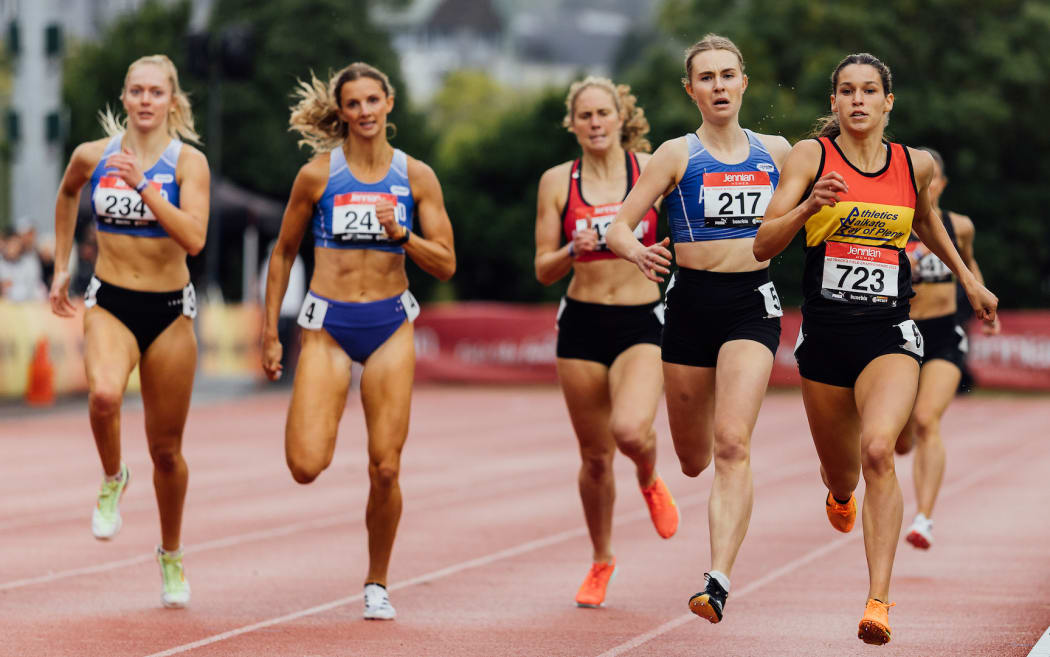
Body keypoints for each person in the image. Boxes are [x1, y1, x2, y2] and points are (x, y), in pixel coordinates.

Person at [753, 53, 998, 645]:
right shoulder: (812, 157)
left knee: (878, 450)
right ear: (834, 103)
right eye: (846, 91)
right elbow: (763, 242)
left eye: (869, 91)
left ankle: (878, 601)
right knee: (842, 472)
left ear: (889, 102)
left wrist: (968, 280)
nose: (858, 100)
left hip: (890, 332)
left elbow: (925, 223)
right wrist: (811, 205)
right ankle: (839, 493)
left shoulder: (911, 164)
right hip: (825, 338)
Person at [606, 34, 790, 625]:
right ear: (691, 90)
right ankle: (658, 470)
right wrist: (638, 253)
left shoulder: (778, 151)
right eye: (705, 77)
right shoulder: (676, 154)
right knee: (692, 460)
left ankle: (716, 580)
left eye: (727, 75)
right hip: (688, 308)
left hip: (751, 305)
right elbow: (618, 228)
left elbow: (826, 204)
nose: (718, 86)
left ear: (744, 83)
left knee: (733, 442)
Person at [262, 62, 455, 621]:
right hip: (327, 327)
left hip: (390, 323)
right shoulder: (318, 176)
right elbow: (282, 253)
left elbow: (445, 263)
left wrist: (404, 235)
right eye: (354, 103)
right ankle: (324, 409)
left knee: (386, 467)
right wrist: (269, 333)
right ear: (341, 112)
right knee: (304, 464)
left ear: (389, 103)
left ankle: (377, 581)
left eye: (374, 100)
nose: (365, 112)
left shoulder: (416, 177)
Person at [50, 54, 209, 608]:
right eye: (136, 91)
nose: (146, 101)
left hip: (169, 311)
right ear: (123, 97)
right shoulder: (92, 156)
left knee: (167, 452)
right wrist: (63, 265)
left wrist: (146, 187)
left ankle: (171, 553)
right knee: (103, 396)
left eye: (156, 92)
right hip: (111, 301)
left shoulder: (188, 164)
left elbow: (194, 238)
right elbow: (68, 193)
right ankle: (113, 475)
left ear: (171, 100)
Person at [534, 76, 679, 609]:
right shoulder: (557, 182)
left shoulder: (649, 173)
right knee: (594, 457)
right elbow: (543, 269)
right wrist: (572, 248)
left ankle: (647, 474)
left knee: (628, 430)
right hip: (581, 325)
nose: (595, 123)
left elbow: (686, 233)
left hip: (641, 320)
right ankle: (601, 559)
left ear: (621, 118)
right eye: (585, 115)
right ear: (572, 124)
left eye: (603, 113)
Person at [895, 147, 1000, 549]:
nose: (929, 185)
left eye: (935, 179)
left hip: (943, 334)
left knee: (926, 419)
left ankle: (924, 518)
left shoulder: (959, 226)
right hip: (902, 335)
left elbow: (968, 265)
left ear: (941, 183)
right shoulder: (895, 223)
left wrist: (983, 300)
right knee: (901, 440)